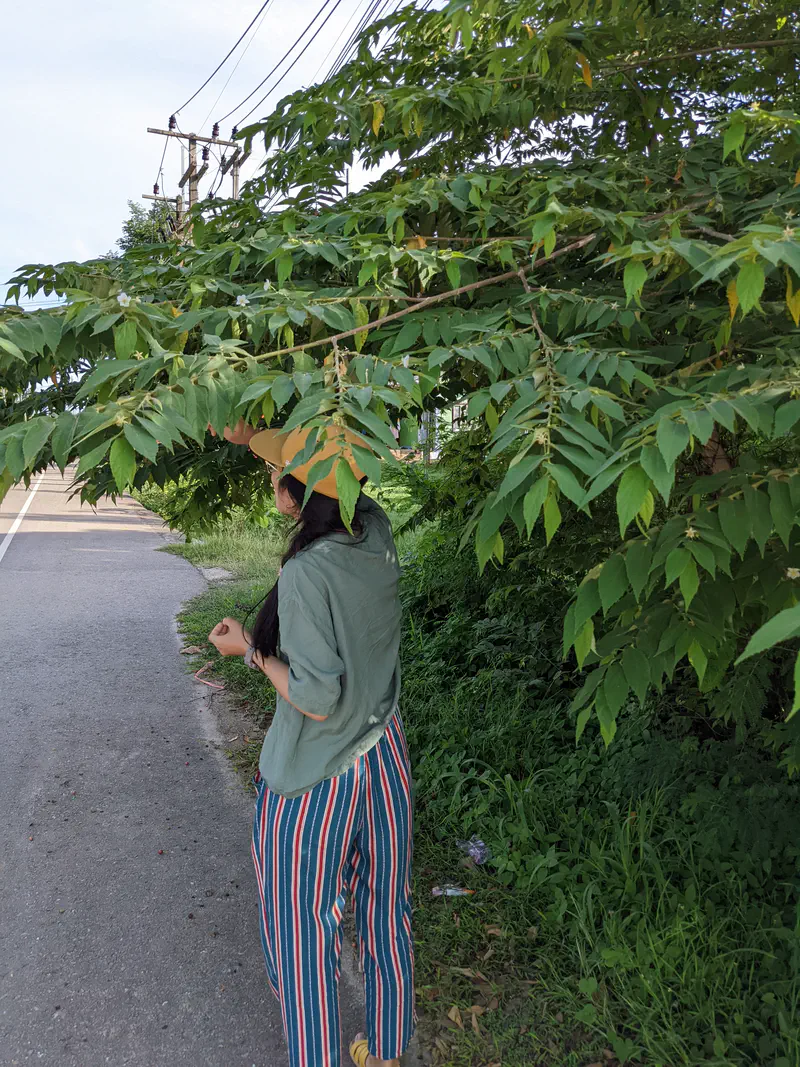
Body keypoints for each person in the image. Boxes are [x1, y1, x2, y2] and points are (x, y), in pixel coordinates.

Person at [207, 420, 414, 1067]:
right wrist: (254, 439)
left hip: (314, 780)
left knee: (303, 939)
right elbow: (330, 467)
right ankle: (384, 1049)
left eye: (278, 469)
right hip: (383, 754)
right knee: (386, 914)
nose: (272, 475)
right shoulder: (375, 531)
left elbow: (316, 696)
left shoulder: (306, 572)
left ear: (298, 492)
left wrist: (248, 652)